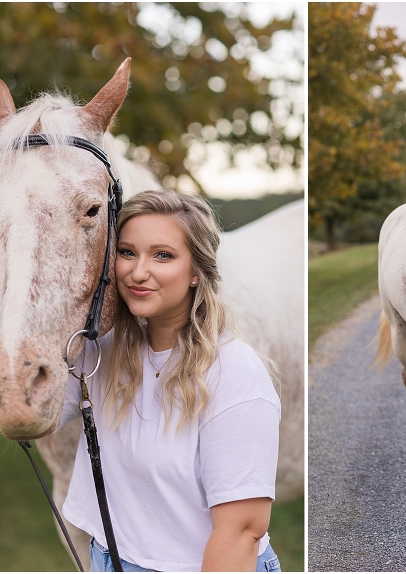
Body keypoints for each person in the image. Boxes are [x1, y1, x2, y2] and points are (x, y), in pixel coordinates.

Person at [58, 189, 282, 571]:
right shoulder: (101, 351)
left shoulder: (234, 375)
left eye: (163, 255)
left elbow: (242, 532)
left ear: (197, 270)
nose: (138, 271)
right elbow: (29, 409)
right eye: (127, 252)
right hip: (109, 557)